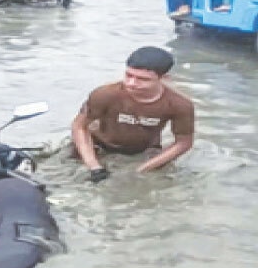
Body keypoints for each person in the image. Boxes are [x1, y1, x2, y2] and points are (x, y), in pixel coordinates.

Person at [71, 47, 195, 183]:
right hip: (99, 146)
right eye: (129, 75)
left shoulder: (179, 104)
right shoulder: (105, 94)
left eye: (143, 79)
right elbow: (79, 127)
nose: (131, 83)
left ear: (164, 78)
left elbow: (183, 143)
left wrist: (141, 170)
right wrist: (94, 166)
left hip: (144, 152)